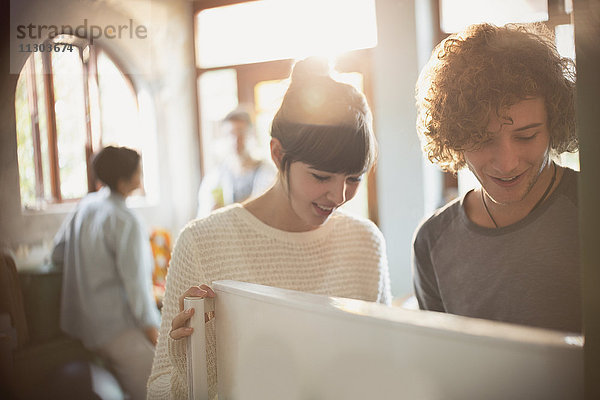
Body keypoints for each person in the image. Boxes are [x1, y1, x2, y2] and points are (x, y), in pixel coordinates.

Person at [148, 58, 392, 399]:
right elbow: (158, 390)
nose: (338, 196)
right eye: (321, 176)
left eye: (353, 179)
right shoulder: (203, 242)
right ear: (278, 154)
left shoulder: (366, 243)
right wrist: (189, 373)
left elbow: (384, 365)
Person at [412, 23, 581, 333]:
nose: (507, 163)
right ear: (456, 137)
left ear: (555, 124)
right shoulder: (432, 241)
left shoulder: (588, 206)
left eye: (526, 136)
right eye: (482, 140)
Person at [51, 146, 161, 400]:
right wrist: (154, 333)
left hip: (83, 327)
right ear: (124, 182)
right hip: (116, 329)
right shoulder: (125, 219)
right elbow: (136, 287)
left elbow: (57, 253)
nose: (141, 175)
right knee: (159, 386)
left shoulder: (86, 205)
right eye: (138, 172)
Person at [197, 108, 277, 218]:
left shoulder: (267, 172)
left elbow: (264, 206)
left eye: (241, 132)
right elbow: (205, 212)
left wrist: (225, 210)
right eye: (231, 134)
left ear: (251, 133)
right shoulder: (215, 176)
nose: (236, 139)